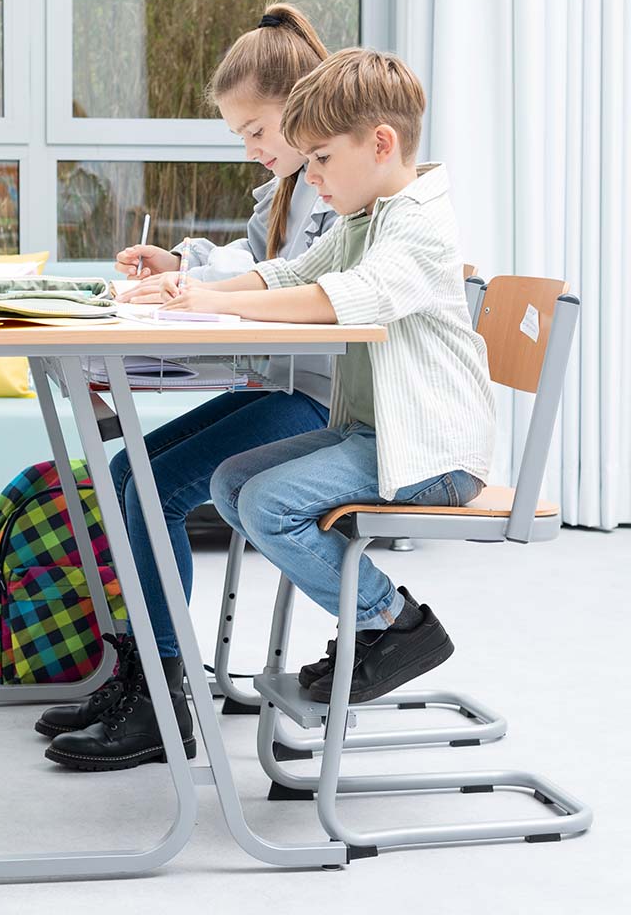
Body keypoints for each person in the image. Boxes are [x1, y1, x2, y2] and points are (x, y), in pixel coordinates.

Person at [40, 4, 340, 771]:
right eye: (240, 134)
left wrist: (203, 287)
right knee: (125, 471)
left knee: (153, 485)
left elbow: (283, 281)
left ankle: (162, 696)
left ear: (303, 101)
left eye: (256, 130)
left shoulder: (333, 189)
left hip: (319, 403)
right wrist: (182, 265)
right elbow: (248, 260)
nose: (249, 149)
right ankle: (147, 671)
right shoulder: (287, 189)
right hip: (281, 388)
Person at [172, 46, 495, 705]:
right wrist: (191, 285)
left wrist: (214, 301)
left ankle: (390, 622)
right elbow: (296, 272)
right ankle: (374, 628)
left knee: (268, 502)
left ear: (380, 143)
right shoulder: (364, 218)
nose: (310, 175)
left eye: (320, 157)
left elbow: (343, 298)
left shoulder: (418, 226)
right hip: (377, 435)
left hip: (433, 454)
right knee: (231, 481)